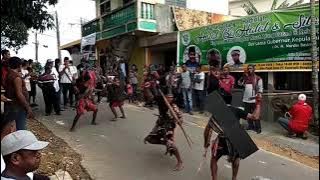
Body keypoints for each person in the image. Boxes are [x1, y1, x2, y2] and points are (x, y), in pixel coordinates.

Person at [203, 94, 261, 180]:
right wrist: (258, 103)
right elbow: (255, 117)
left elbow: (207, 130)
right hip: (235, 140)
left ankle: (214, 178)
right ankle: (234, 178)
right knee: (236, 160)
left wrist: (206, 143)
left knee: (214, 159)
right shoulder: (235, 110)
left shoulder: (216, 113)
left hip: (222, 141)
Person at [144, 94, 184, 171]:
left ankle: (180, 162)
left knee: (170, 144)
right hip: (160, 124)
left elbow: (180, 118)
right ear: (164, 97)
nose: (169, 99)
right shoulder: (161, 102)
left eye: (171, 97)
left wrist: (179, 120)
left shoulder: (174, 107)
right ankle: (166, 144)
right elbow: (151, 97)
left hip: (169, 126)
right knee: (149, 139)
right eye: (168, 97)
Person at [4, 57, 34, 130]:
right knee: (20, 128)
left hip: (11, 105)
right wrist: (28, 107)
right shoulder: (16, 77)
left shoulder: (9, 74)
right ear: (19, 65)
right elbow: (19, 94)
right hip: (17, 106)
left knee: (11, 127)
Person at [238, 64, 263, 134]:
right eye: (248, 68)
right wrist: (242, 77)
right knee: (248, 113)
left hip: (254, 99)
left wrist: (259, 95)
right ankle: (250, 126)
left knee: (256, 114)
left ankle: (258, 128)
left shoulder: (258, 78)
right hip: (246, 99)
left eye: (251, 68)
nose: (249, 70)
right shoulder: (245, 78)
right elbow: (239, 84)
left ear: (254, 69)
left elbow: (260, 88)